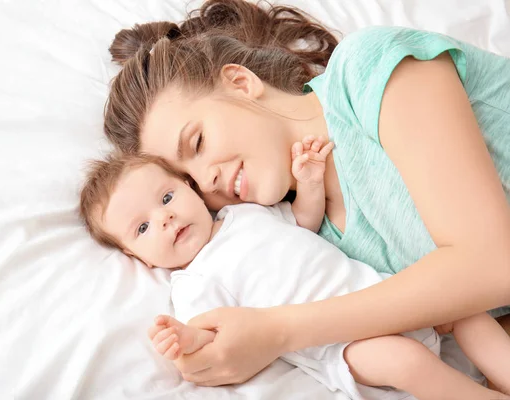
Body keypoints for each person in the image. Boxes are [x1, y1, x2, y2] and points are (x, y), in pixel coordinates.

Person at [104, 0, 510, 388]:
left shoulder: (364, 70)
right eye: (188, 184)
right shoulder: (317, 243)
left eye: (197, 142)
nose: (207, 182)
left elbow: (493, 264)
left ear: (240, 82)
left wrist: (278, 332)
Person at [78, 152, 510, 399]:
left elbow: (304, 222)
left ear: (191, 189)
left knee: (465, 308)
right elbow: (217, 339)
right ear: (140, 259)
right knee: (405, 361)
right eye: (143, 228)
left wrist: (309, 183)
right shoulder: (194, 282)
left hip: (377, 293)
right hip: (342, 347)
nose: (166, 217)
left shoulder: (245, 215)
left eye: (167, 196)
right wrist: (186, 340)